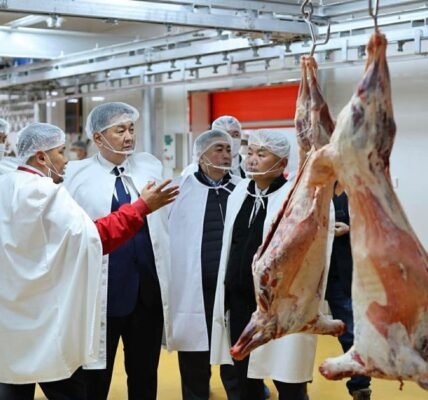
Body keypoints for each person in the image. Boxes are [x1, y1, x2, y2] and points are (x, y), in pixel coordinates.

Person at [0, 122, 178, 400]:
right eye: (61, 152)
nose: (66, 160)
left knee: (13, 385)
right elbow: (94, 238)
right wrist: (140, 208)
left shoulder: (5, 185)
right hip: (47, 319)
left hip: (12, 319)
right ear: (42, 157)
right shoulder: (47, 193)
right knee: (67, 387)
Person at [64, 102, 173, 400]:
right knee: (95, 376)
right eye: (120, 130)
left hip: (147, 293)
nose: (129, 137)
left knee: (144, 374)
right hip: (103, 294)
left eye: (131, 129)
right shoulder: (77, 175)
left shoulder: (149, 166)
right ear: (98, 138)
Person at [211, 130, 325, 400]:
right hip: (240, 302)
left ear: (282, 162)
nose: (251, 159)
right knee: (244, 377)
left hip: (280, 307)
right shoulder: (239, 193)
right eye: (249, 152)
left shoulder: (295, 198)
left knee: (288, 378)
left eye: (261, 154)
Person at [167, 129, 241, 400]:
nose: (226, 155)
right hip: (195, 289)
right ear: (201, 155)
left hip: (233, 290)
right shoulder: (180, 190)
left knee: (236, 357)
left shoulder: (242, 189)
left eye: (228, 149)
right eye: (218, 149)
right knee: (194, 357)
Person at [325, 191, 372, 400]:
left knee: (350, 332)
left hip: (342, 273)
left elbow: (373, 228)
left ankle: (360, 386)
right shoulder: (311, 189)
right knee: (295, 337)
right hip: (312, 271)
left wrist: (349, 229)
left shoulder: (355, 192)